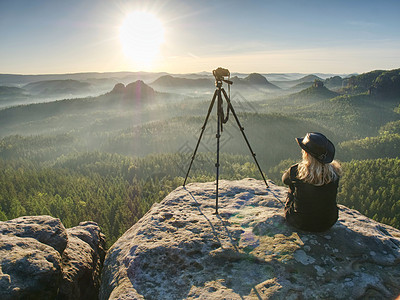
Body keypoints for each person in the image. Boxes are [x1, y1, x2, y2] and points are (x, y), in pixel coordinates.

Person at [282, 132, 342, 232]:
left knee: (292, 186)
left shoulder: (297, 171)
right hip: (327, 222)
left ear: (306, 154)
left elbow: (284, 180)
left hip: (299, 222)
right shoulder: (335, 173)